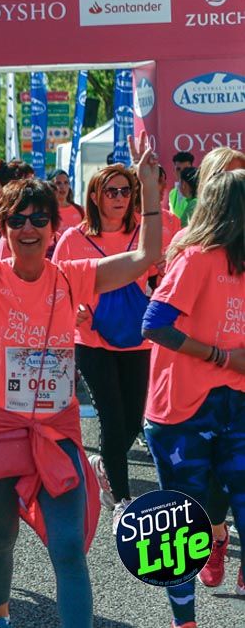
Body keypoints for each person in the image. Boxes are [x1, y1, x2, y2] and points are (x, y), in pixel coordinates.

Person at [0, 123, 162, 628]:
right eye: (17, 220)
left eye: (38, 218)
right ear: (4, 227)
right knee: (1, 534)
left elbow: (146, 257)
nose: (28, 228)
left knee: (69, 547)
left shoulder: (72, 277)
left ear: (54, 227)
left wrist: (148, 187)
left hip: (57, 431)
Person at [141, 169, 245, 625]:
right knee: (180, 524)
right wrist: (222, 356)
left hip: (234, 404)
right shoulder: (197, 258)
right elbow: (154, 324)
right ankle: (184, 621)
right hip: (182, 410)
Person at [52, 164, 153, 532]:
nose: (120, 198)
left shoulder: (144, 232)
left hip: (137, 337)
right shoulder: (73, 239)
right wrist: (72, 308)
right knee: (111, 418)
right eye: (112, 191)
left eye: (126, 191)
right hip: (91, 338)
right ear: (95, 196)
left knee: (133, 419)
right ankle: (122, 501)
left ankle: (103, 465)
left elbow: (163, 275)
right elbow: (55, 286)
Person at [168, 150, 194, 221]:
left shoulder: (199, 192)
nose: (182, 173)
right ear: (174, 171)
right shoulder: (172, 194)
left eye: (186, 169)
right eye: (178, 169)